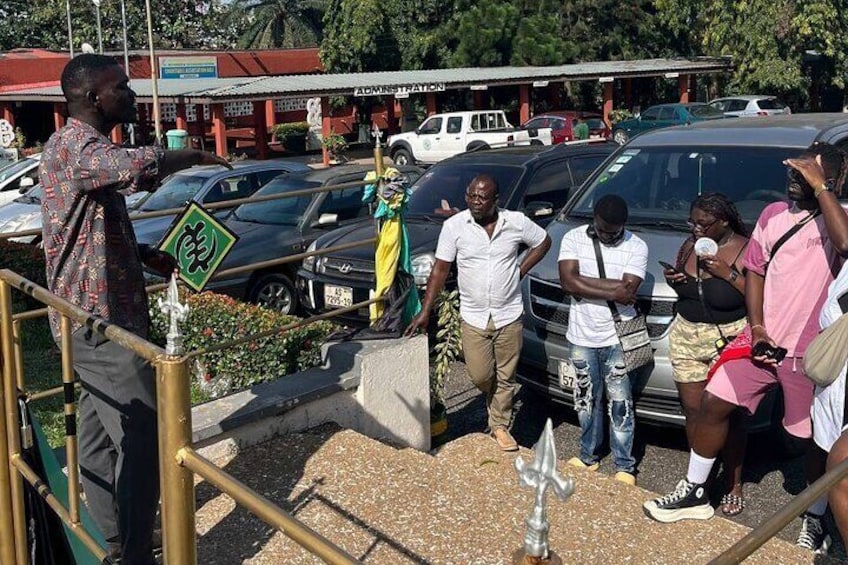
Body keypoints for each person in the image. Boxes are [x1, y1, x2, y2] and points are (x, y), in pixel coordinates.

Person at [39, 53, 230, 565]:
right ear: (94, 97)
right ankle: (139, 553)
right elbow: (131, 168)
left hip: (94, 317)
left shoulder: (86, 149)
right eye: (121, 87)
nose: (131, 94)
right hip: (95, 324)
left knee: (99, 435)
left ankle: (119, 540)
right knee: (145, 432)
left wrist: (146, 255)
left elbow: (89, 232)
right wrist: (191, 156)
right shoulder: (76, 146)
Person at [644, 143, 848, 549]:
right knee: (714, 402)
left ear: (833, 179)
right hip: (763, 339)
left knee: (812, 440)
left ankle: (816, 515)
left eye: (806, 173)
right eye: (794, 171)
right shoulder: (773, 216)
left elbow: (845, 245)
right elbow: (754, 271)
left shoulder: (838, 218)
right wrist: (756, 327)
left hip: (809, 352)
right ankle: (696, 490)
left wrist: (820, 186)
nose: (795, 178)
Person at [405, 173, 551, 451]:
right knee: (481, 375)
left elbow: (543, 241)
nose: (475, 202)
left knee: (507, 376)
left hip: (508, 314)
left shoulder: (515, 222)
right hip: (473, 316)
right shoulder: (455, 226)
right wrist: (425, 311)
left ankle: (500, 426)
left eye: (482, 197)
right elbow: (440, 269)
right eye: (471, 196)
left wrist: (520, 269)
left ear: (496, 200)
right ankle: (495, 400)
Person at [663, 193, 750, 516]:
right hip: (687, 335)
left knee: (729, 414)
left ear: (724, 221)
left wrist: (725, 272)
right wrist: (676, 281)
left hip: (729, 338)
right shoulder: (690, 246)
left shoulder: (745, 247)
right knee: (694, 412)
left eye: (704, 224)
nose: (696, 229)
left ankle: (734, 483)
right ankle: (699, 481)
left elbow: (760, 293)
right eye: (693, 222)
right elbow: (689, 288)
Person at [558, 194, 648, 484]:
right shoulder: (573, 238)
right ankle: (588, 456)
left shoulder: (637, 245)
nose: (608, 236)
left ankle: (624, 464)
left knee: (621, 401)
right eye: (602, 230)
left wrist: (582, 284)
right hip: (581, 335)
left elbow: (629, 290)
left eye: (614, 231)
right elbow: (567, 281)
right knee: (586, 399)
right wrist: (612, 288)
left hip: (617, 337)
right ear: (593, 220)